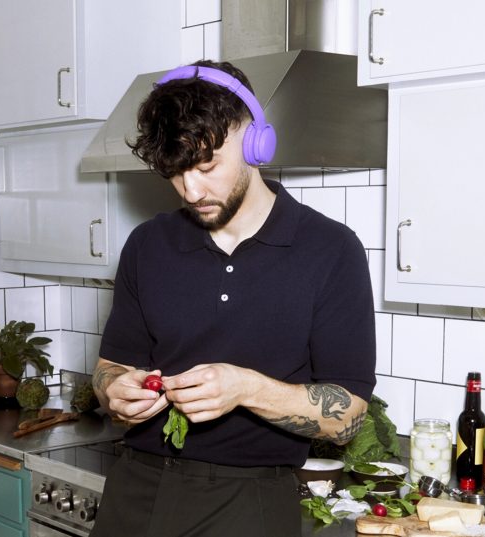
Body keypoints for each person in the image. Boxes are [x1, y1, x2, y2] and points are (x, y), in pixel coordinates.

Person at [90, 59, 377, 537]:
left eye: (206, 166)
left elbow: (347, 418)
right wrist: (115, 391)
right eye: (175, 173)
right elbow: (109, 367)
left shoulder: (331, 249)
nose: (191, 190)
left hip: (250, 500)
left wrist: (245, 389)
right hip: (134, 487)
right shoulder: (147, 244)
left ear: (254, 141)